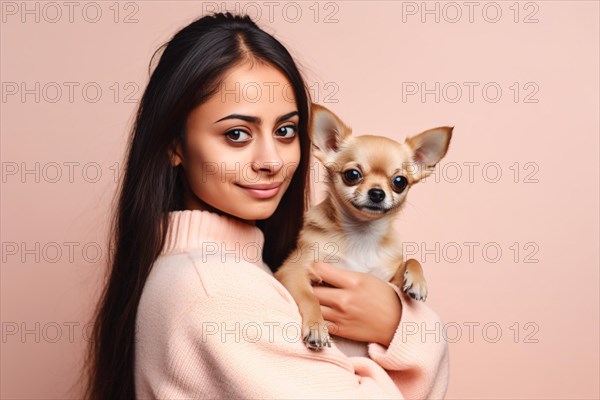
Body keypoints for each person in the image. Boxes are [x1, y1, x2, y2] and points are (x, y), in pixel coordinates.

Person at [82, 12, 449, 400]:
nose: (272, 160)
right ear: (175, 144)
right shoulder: (216, 288)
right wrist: (413, 331)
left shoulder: (224, 268)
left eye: (286, 131)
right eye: (237, 134)